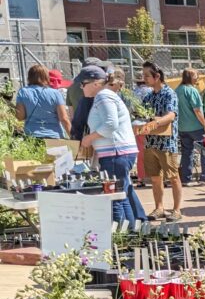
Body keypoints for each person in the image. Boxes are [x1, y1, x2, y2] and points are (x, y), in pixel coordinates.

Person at [78, 66, 147, 225]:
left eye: (83, 83)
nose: (81, 87)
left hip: (116, 153)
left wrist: (89, 138)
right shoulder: (104, 96)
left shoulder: (103, 96)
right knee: (120, 196)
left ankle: (119, 236)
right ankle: (129, 233)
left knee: (114, 197)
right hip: (116, 153)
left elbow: (111, 124)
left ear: (95, 83)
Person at [139, 61, 183, 222]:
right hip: (150, 142)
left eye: (146, 75)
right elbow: (142, 114)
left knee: (173, 176)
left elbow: (171, 115)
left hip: (166, 142)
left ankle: (177, 209)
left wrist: (155, 123)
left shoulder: (169, 94)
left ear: (157, 77)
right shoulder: (149, 96)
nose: (143, 78)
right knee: (155, 177)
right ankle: (159, 208)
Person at [175, 68, 205, 186]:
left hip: (182, 127)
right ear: (191, 77)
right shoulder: (192, 91)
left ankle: (186, 178)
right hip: (196, 126)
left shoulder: (177, 90)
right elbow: (197, 110)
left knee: (187, 152)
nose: (198, 77)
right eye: (196, 75)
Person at [16, 65, 70, 139]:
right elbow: (64, 118)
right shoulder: (55, 93)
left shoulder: (22, 92)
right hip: (54, 136)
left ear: (29, 77)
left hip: (32, 136)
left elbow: (20, 117)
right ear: (46, 76)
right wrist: (73, 137)